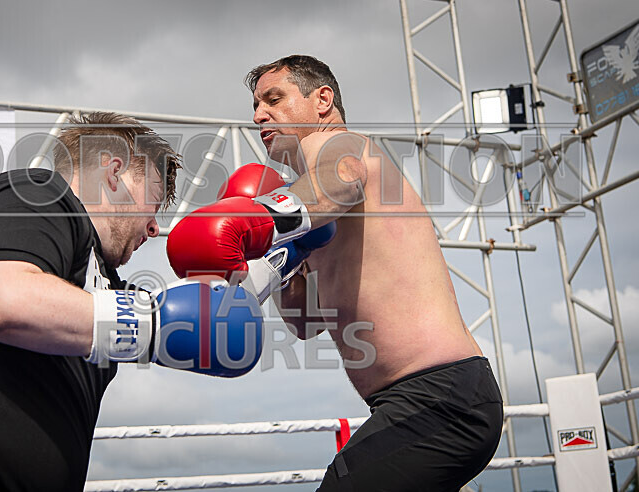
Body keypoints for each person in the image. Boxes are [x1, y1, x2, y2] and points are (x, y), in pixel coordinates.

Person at [0, 112, 263, 491]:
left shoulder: (104, 290)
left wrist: (280, 238)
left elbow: (216, 315)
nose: (154, 228)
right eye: (153, 201)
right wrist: (152, 324)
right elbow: (8, 302)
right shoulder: (34, 193)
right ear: (113, 173)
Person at [167, 55, 503, 491]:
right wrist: (279, 257)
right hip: (419, 399)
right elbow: (305, 322)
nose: (258, 115)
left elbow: (343, 178)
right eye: (256, 105)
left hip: (441, 394)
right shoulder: (313, 209)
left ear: (322, 100)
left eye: (274, 99)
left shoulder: (339, 146)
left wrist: (263, 218)